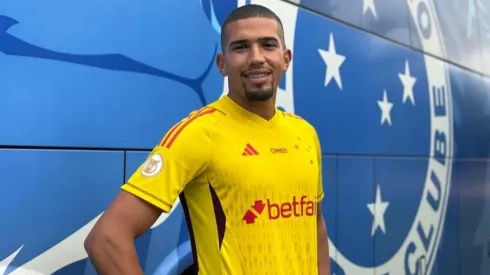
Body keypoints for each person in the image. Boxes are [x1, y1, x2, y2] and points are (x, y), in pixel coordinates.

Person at [84, 4, 330, 275]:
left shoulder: (305, 133)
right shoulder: (199, 132)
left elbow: (314, 226)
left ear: (286, 58)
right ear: (222, 65)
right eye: (241, 47)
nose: (256, 57)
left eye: (267, 45)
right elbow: (107, 239)